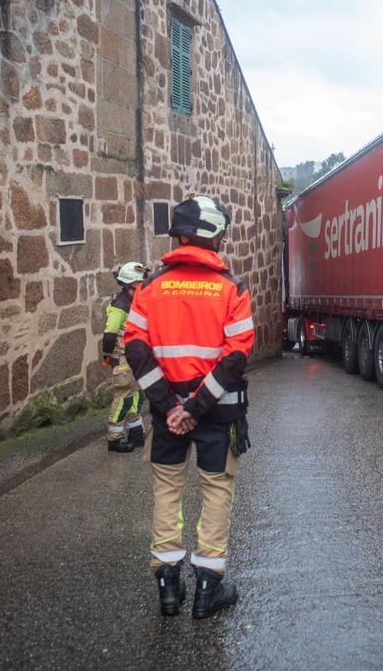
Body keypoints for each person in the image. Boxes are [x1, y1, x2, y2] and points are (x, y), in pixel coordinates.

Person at [123, 195, 254, 619]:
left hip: (167, 418)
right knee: (216, 491)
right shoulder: (232, 290)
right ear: (215, 236)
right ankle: (207, 590)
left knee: (167, 491)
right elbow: (236, 357)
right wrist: (195, 408)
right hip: (218, 413)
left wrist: (170, 407)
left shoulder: (149, 289)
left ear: (178, 236)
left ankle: (168, 587)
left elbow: (135, 349)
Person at [102, 261, 148, 453]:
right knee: (123, 397)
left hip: (134, 358)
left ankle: (136, 433)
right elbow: (109, 334)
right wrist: (107, 356)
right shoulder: (119, 306)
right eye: (139, 285)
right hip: (121, 358)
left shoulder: (134, 303)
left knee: (136, 395)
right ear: (131, 285)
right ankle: (115, 438)